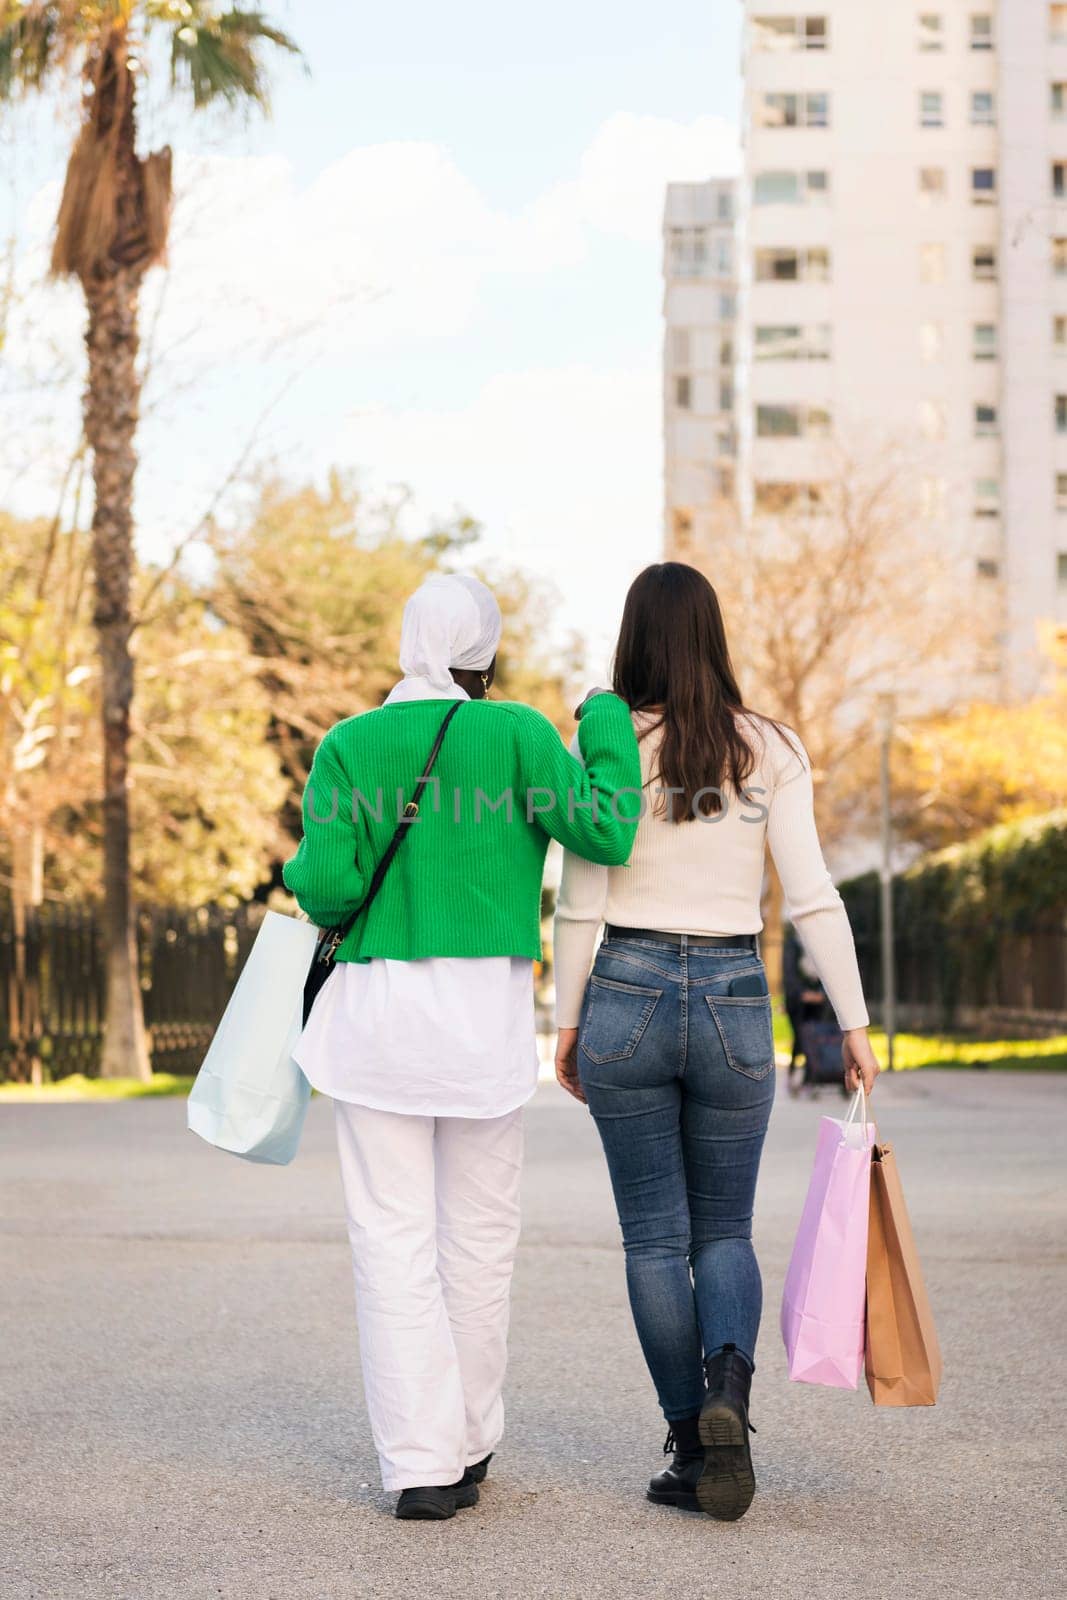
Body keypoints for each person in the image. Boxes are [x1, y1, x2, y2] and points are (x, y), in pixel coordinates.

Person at [283, 573, 641, 1521]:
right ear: (484, 656)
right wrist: (602, 717)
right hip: (479, 1032)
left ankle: (421, 1465)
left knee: (390, 1243)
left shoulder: (347, 747)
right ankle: (473, 1439)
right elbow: (606, 829)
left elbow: (323, 886)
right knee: (479, 1242)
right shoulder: (520, 735)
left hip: (374, 1032)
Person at [553, 562, 879, 1523]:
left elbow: (580, 902)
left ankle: (692, 1446)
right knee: (723, 1230)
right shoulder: (769, 748)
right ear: (713, 636)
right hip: (735, 993)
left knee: (654, 1237)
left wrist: (569, 1021)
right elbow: (811, 895)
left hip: (626, 988)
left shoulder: (608, 745)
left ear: (633, 640)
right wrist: (852, 1026)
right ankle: (728, 1395)